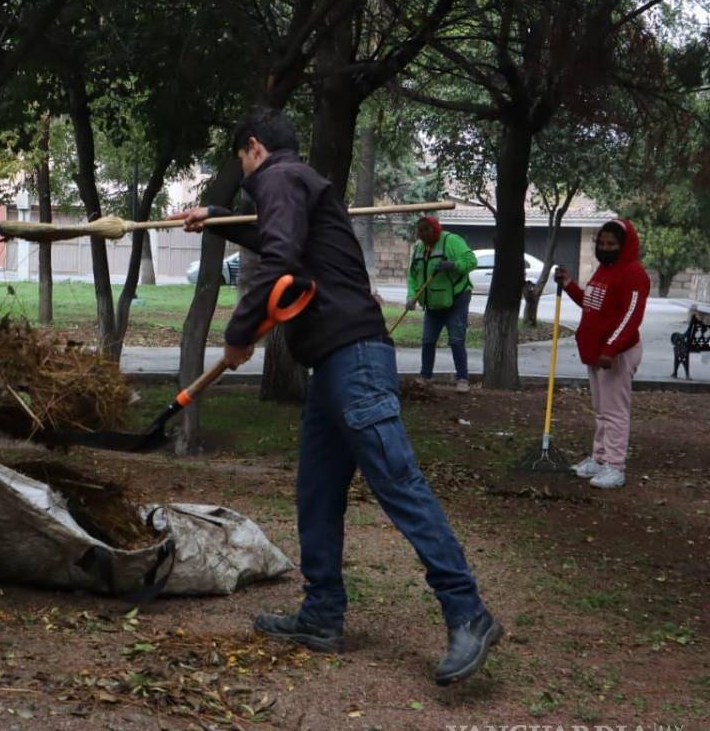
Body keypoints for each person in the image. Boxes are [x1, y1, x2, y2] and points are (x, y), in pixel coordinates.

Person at [168, 108, 500, 685]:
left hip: (355, 360)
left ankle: (468, 611)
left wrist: (240, 333)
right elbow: (276, 235)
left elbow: (279, 259)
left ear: (252, 148)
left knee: (397, 482)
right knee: (316, 493)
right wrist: (217, 216)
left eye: (239, 161)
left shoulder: (277, 178)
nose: (243, 173)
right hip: (333, 367)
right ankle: (322, 615)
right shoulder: (295, 183)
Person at [555, 220, 649, 490]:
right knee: (601, 410)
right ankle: (599, 458)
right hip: (596, 352)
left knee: (615, 412)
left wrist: (611, 348)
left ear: (625, 245)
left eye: (611, 244)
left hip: (616, 354)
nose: (605, 248)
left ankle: (615, 466)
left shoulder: (633, 273)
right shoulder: (604, 270)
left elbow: (632, 316)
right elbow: (592, 303)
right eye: (601, 243)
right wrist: (570, 284)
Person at [406, 216, 477, 392]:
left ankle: (462, 379)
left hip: (456, 299)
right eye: (420, 231)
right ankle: (425, 377)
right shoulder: (419, 249)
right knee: (428, 340)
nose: (422, 234)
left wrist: (453, 265)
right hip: (433, 304)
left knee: (456, 340)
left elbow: (471, 261)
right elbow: (413, 277)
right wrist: (411, 297)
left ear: (435, 229)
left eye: (426, 230)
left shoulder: (451, 241)